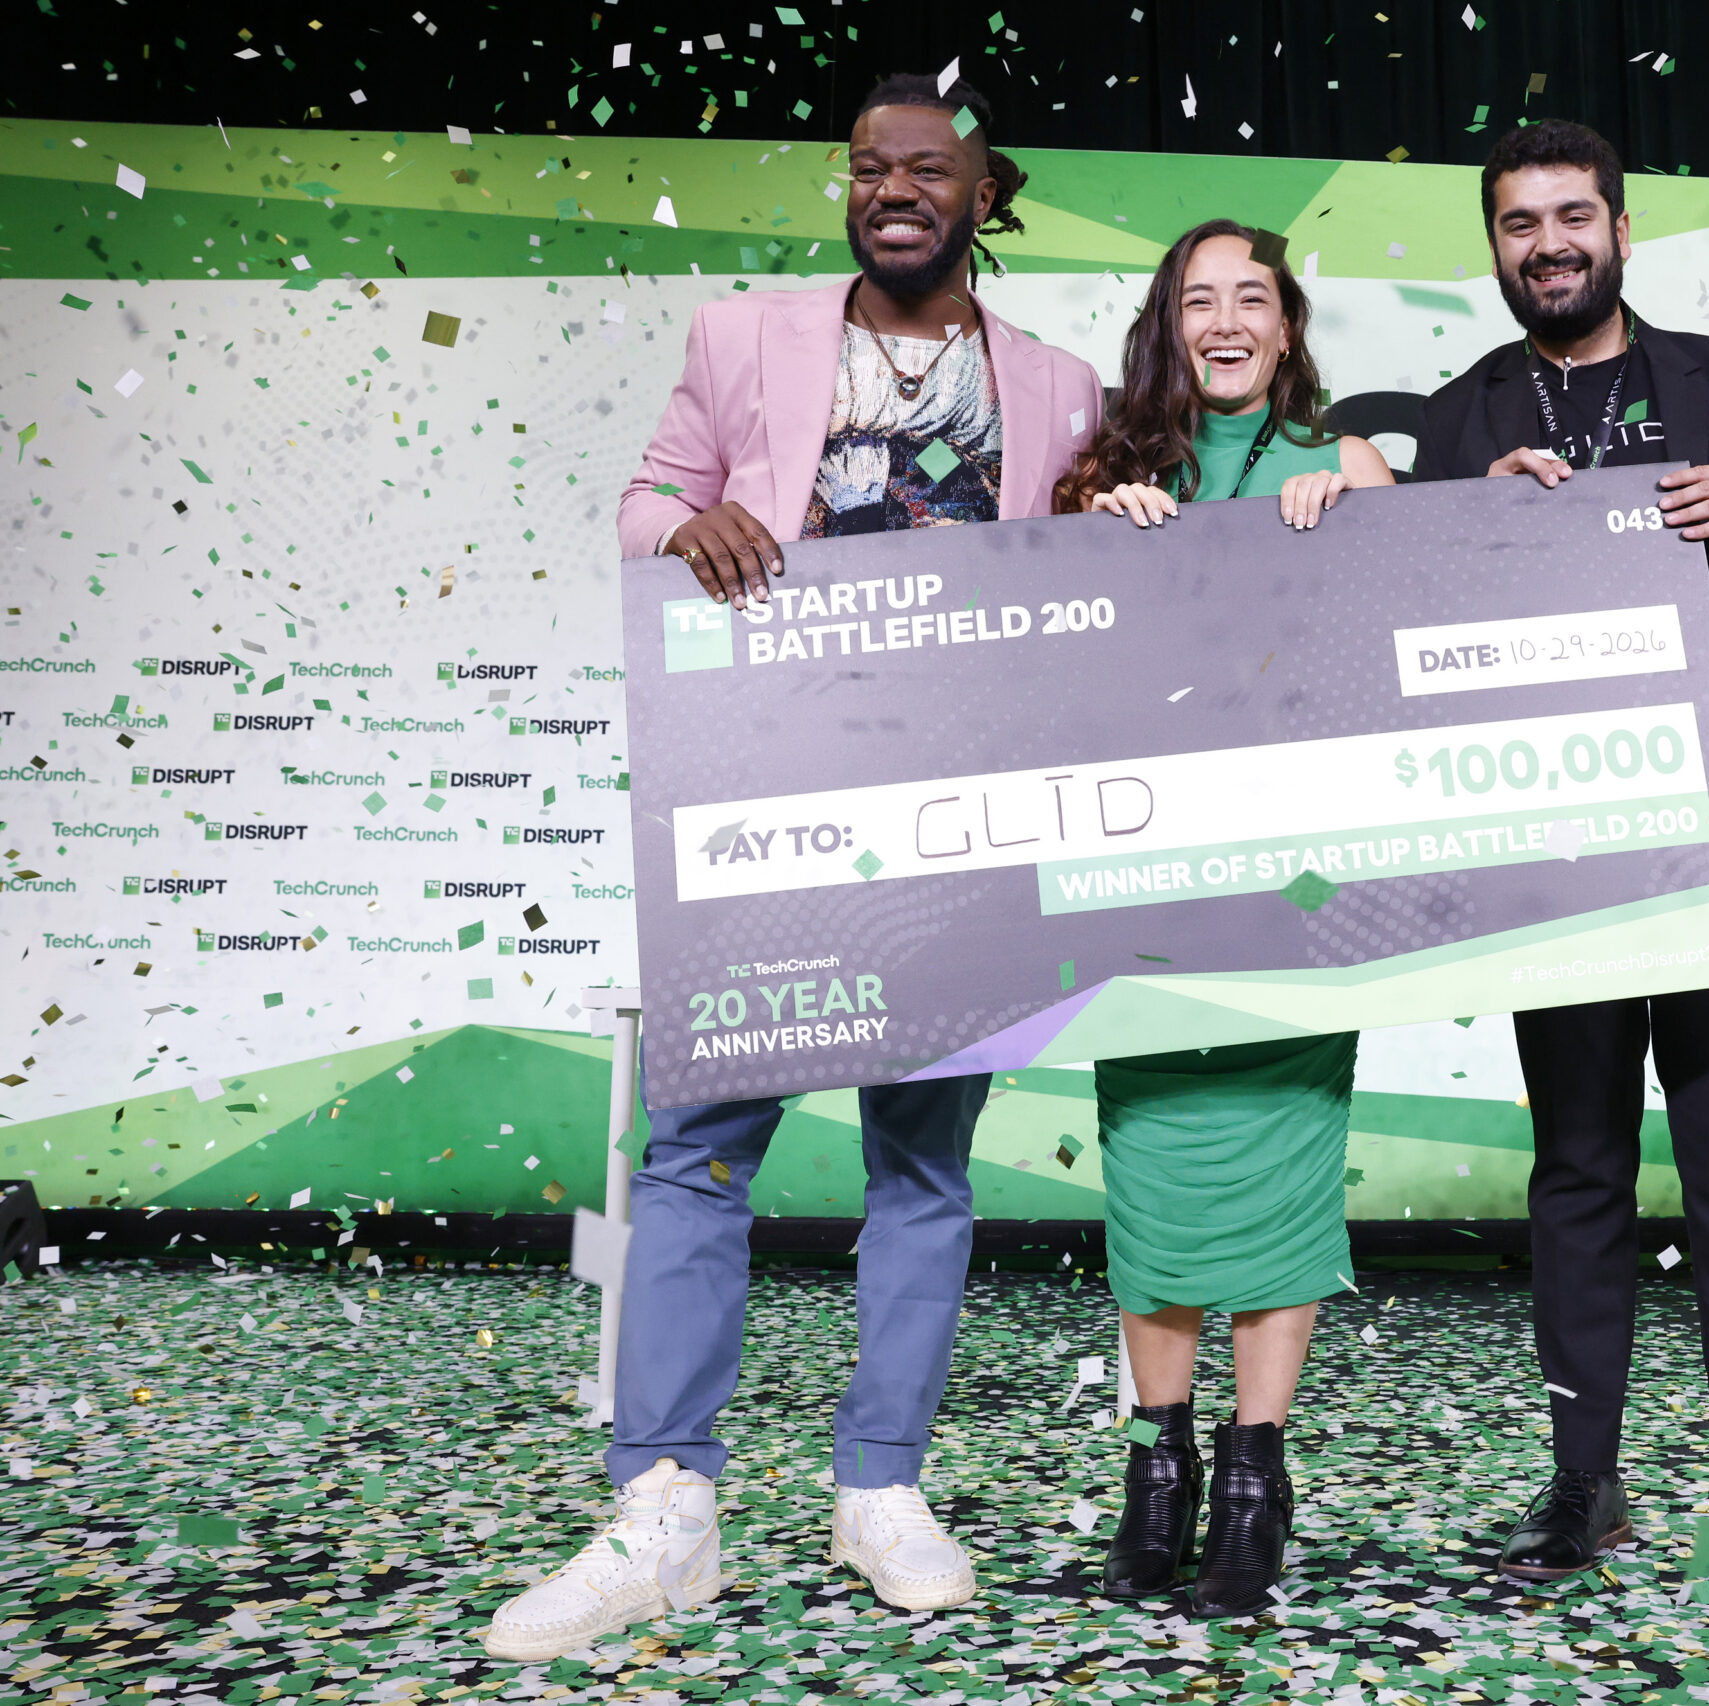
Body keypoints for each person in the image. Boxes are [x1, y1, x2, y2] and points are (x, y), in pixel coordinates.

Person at [482, 73, 1103, 1661]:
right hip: (761, 799)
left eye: (926, 168)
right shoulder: (744, 339)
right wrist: (682, 530)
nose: (892, 186)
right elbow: (643, 498)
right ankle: (662, 1508)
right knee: (695, 1155)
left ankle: (878, 1487)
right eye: (867, 168)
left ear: (984, 192)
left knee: (926, 1166)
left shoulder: (1057, 385)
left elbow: (1108, 570)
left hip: (961, 824)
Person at [1412, 120, 1709, 1612]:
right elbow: (1398, 633)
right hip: (1552, 852)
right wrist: (1474, 533)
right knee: (1576, 1175)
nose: (1548, 243)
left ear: (1620, 228)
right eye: (1519, 224)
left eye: (1573, 216)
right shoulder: (1455, 419)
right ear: (1494, 248)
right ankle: (1586, 1482)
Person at [1053, 220, 1395, 1619]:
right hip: (1145, 892)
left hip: (1298, 891)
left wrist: (1360, 533)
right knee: (1157, 1178)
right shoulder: (1108, 476)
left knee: (1281, 1175)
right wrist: (1092, 545)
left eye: (1252, 294)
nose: (1228, 317)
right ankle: (1160, 1467)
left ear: (1289, 322)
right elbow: (1046, 660)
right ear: (1169, 326)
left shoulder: (1354, 464)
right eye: (1200, 299)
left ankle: (1256, 1476)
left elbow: (1415, 643)